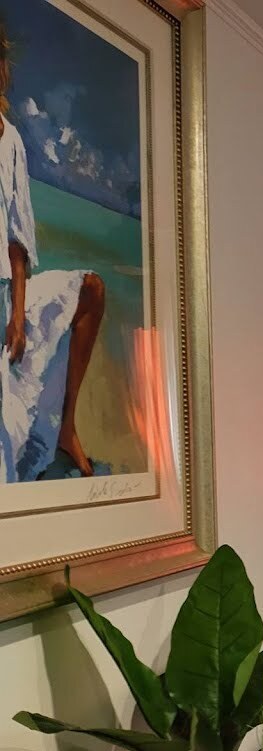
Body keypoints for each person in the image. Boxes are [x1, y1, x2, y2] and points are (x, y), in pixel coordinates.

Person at [0, 20, 106, 483]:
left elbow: (17, 238)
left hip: (5, 293)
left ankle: (68, 429)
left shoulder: (12, 141)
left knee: (90, 290)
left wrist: (18, 314)